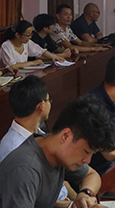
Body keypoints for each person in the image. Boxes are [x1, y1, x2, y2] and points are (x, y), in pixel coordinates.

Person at [0, 76, 101, 208]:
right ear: (42, 105)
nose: (87, 159)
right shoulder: (17, 154)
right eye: (49, 100)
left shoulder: (45, 139)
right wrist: (70, 204)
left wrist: (84, 196)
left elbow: (91, 175)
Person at [1, 20, 68, 73]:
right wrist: (32, 63)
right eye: (27, 35)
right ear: (17, 35)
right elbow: (12, 66)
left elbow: (41, 51)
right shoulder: (6, 46)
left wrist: (54, 57)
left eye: (31, 35)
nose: (30, 37)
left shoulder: (26, 43)